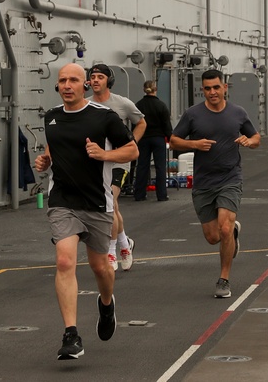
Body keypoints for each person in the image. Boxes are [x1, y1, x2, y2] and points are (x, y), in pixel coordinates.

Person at [33, 63, 138, 360]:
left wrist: (105, 155)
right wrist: (45, 162)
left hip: (97, 203)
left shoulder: (104, 118)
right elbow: (54, 152)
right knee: (65, 260)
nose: (67, 85)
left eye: (74, 80)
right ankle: (71, 334)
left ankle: (106, 304)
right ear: (57, 85)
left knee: (100, 268)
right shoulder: (51, 117)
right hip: (63, 201)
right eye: (62, 80)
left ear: (85, 86)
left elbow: (132, 151)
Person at [170, 69, 260, 299]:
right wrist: (195, 144)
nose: (212, 92)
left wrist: (248, 141)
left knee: (225, 227)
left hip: (230, 178)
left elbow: (256, 137)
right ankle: (232, 237)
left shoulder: (237, 113)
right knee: (213, 237)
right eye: (207, 88)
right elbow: (174, 140)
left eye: (216, 87)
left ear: (224, 87)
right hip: (204, 182)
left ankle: (224, 279)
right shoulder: (193, 114)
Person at [87, 64, 146, 272]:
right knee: (113, 207)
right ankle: (125, 243)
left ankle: (112, 251)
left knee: (109, 201)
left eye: (100, 77)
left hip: (119, 161)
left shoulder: (122, 103)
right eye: (92, 77)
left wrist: (132, 143)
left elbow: (141, 123)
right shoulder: (86, 105)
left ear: (108, 81)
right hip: (98, 163)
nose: (95, 80)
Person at [134, 80, 173, 202]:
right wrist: (171, 138)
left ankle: (139, 194)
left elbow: (135, 123)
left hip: (143, 138)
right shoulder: (161, 105)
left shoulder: (138, 105)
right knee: (160, 167)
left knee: (142, 166)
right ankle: (161, 195)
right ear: (155, 89)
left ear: (144, 89)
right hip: (158, 139)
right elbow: (166, 125)